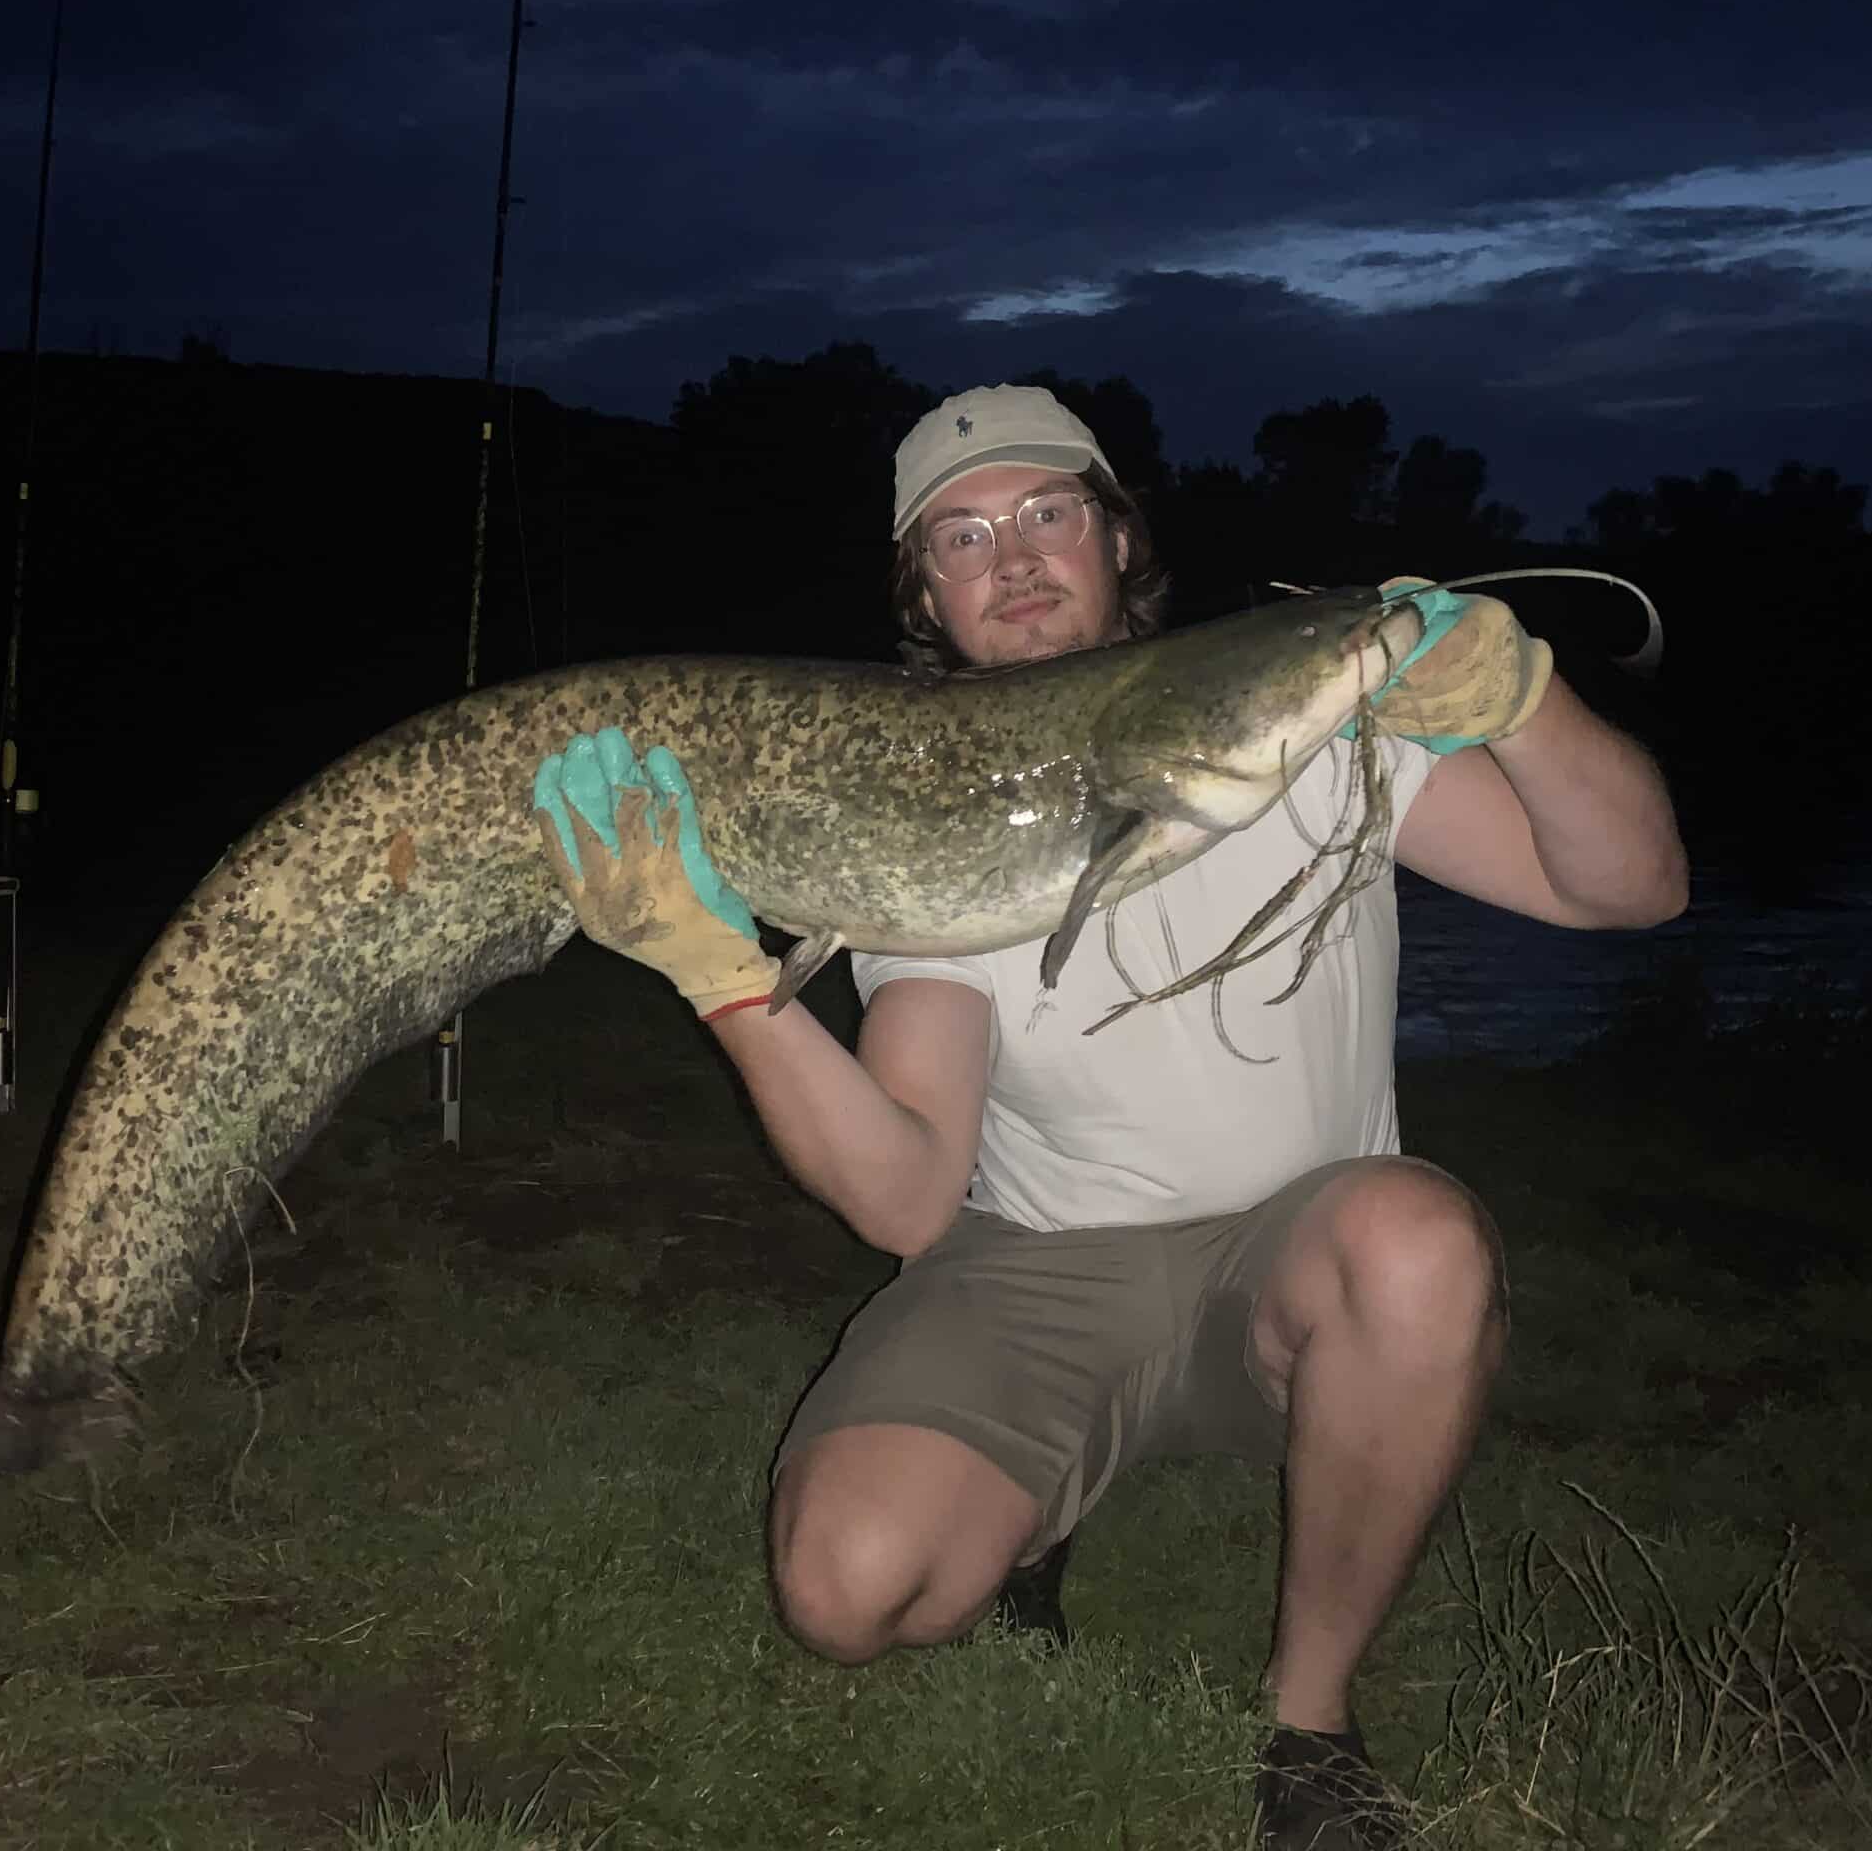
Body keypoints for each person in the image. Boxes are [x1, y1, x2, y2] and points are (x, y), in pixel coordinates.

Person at [529, 384, 1687, 1848]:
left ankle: (1311, 1727)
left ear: (1118, 533)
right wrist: (716, 971)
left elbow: (1632, 887)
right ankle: (1042, 1504)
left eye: (1046, 514)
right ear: (927, 596)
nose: (1011, 557)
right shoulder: (930, 811)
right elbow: (902, 1202)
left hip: (1297, 1265)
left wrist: (1529, 707)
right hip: (1042, 1268)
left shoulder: (1328, 736)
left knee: (1419, 1240)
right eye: (961, 537)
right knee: (845, 1590)